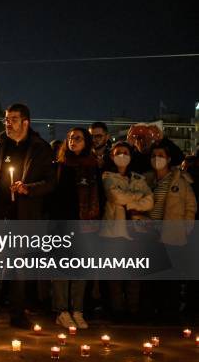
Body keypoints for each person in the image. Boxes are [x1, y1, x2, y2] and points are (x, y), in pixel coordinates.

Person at [0, 103, 56, 329]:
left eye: (13, 119)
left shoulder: (40, 148)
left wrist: (28, 188)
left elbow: (51, 182)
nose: (8, 123)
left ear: (26, 122)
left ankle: (18, 315)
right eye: (6, 119)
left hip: (24, 217)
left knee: (21, 268)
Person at [51, 128, 101, 329]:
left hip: (86, 225)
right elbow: (55, 198)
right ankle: (62, 311)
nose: (73, 141)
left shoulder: (93, 167)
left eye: (78, 138)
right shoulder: (60, 166)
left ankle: (78, 310)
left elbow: (99, 197)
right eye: (70, 138)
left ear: (86, 142)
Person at [100, 141, 153, 322]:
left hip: (136, 232)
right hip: (114, 232)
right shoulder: (107, 176)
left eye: (125, 152)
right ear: (112, 156)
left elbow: (150, 201)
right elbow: (114, 196)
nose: (121, 155)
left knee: (134, 277)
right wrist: (137, 199)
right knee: (115, 276)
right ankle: (117, 311)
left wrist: (129, 202)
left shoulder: (139, 178)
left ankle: (133, 311)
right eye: (118, 152)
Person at [143, 142, 196, 321]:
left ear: (169, 159)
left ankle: (169, 313)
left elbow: (191, 205)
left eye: (161, 155)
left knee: (170, 277)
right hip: (150, 234)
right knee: (150, 277)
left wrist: (186, 227)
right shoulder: (146, 179)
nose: (157, 159)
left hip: (172, 233)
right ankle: (151, 312)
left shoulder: (180, 180)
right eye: (154, 156)